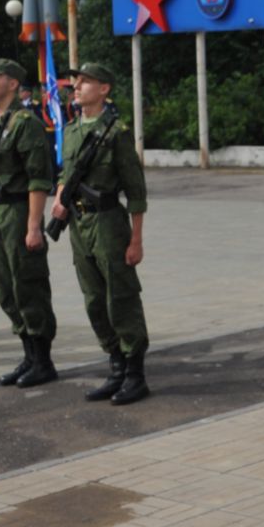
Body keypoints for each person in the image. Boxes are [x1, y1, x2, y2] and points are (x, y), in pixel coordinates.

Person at [55, 63, 152, 405]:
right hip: (78, 225)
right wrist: (60, 196)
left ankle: (135, 373)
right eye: (76, 82)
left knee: (120, 297)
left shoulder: (117, 132)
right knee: (94, 299)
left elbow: (136, 191)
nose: (77, 87)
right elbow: (66, 174)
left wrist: (136, 239)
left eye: (85, 82)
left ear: (105, 89)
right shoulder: (70, 130)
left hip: (109, 222)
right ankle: (116, 366)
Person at [0, 58, 59, 388]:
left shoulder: (26, 123)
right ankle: (28, 355)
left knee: (27, 285)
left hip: (18, 212)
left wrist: (34, 226)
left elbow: (38, 179)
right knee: (5, 287)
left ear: (13, 84)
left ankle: (43, 359)